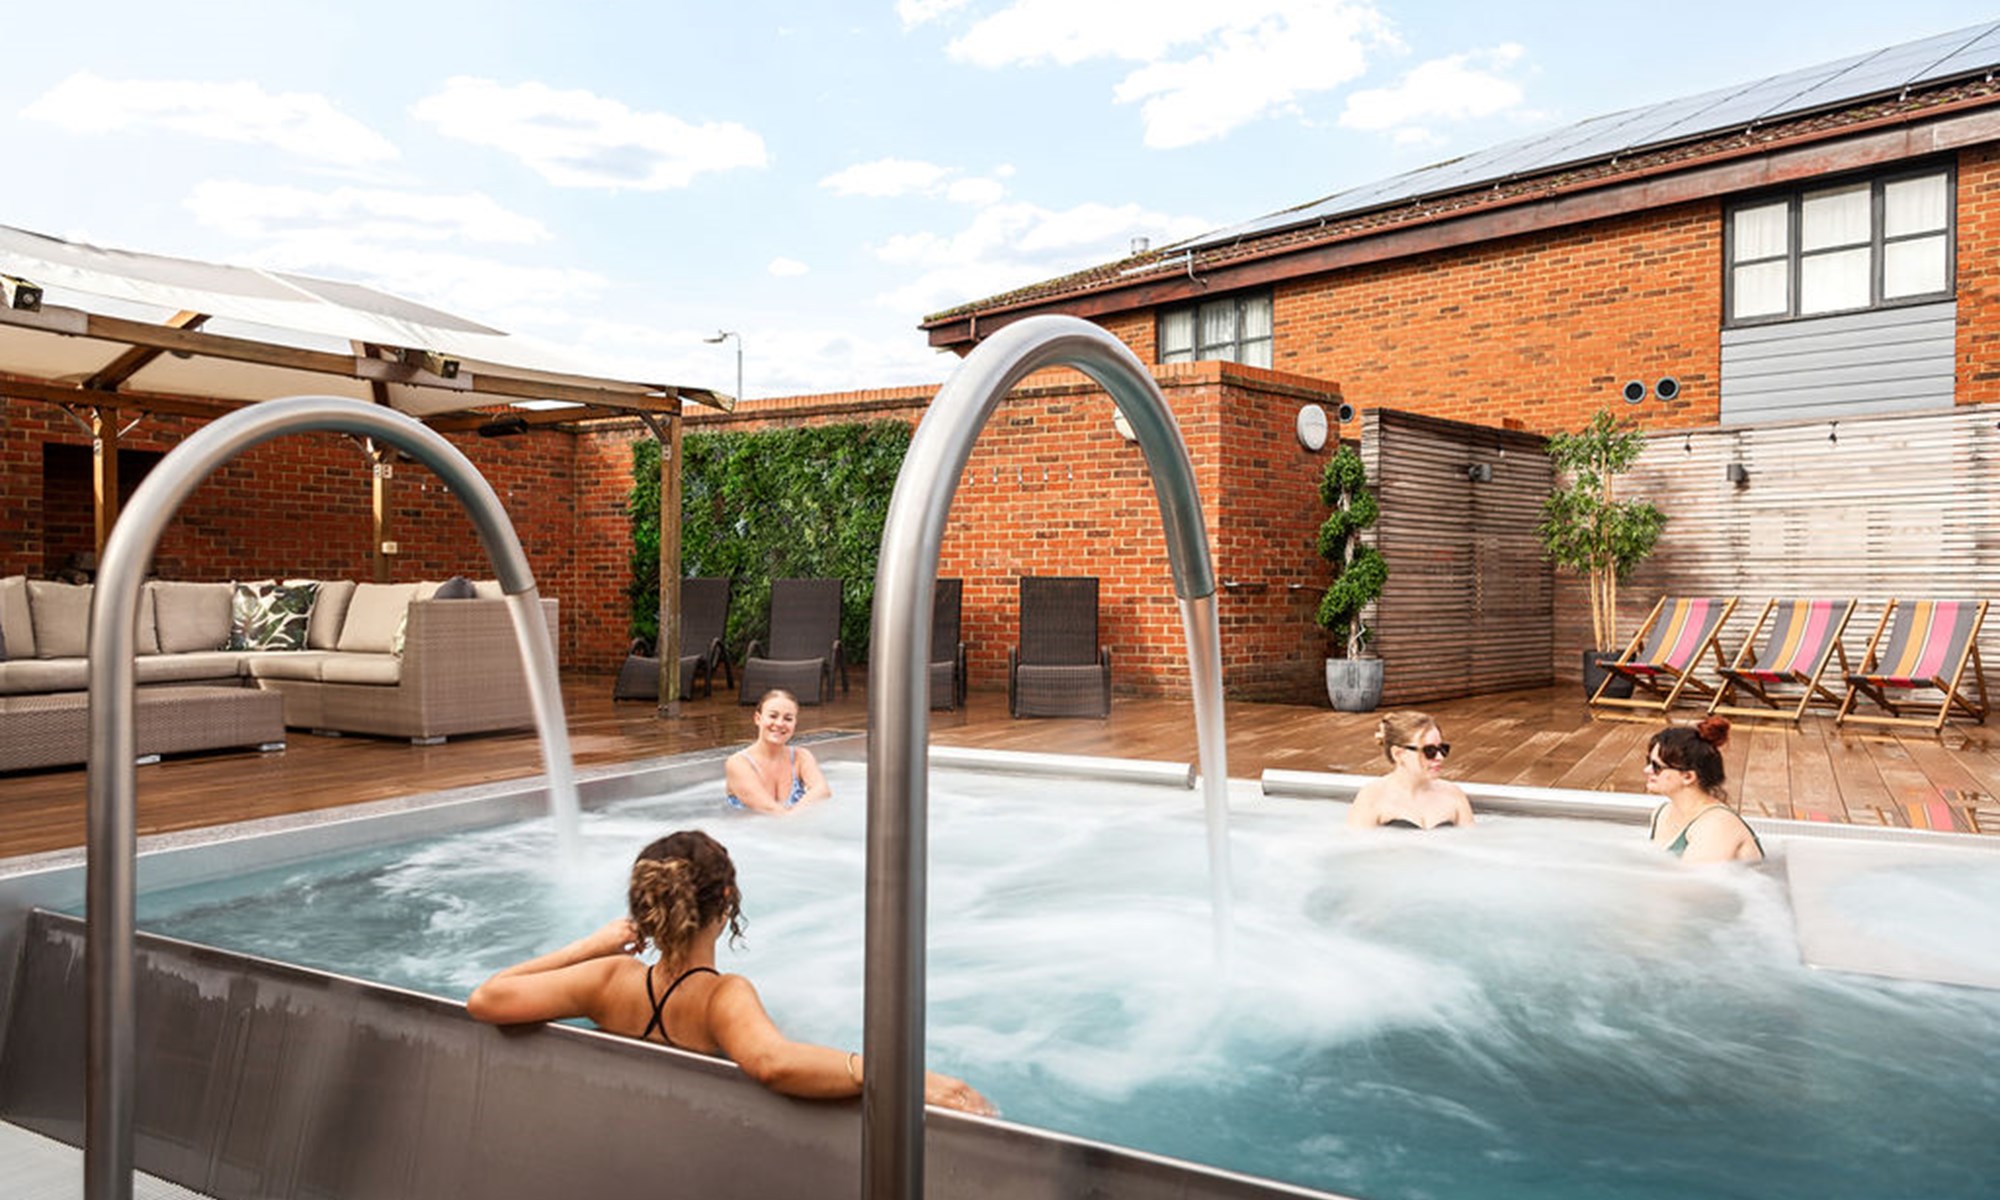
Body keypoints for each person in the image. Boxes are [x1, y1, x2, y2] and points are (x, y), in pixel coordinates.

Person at [468, 830, 993, 1114]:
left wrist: (592, 944)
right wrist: (906, 1079)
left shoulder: (606, 980)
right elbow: (775, 1063)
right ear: (726, 900)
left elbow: (487, 998)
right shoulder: (721, 998)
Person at [1644, 717, 1764, 864]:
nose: (1647, 770)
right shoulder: (1661, 813)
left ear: (1688, 777)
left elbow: (1692, 884)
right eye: (1648, 762)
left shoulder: (1717, 826)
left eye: (1656, 767)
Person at [1347, 711, 1476, 830]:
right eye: (1429, 751)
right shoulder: (1372, 797)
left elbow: (1472, 845)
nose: (1439, 757)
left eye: (1443, 748)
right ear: (1398, 754)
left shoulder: (1454, 795)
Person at [725, 688, 831, 813]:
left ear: (795, 723)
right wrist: (794, 818)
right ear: (757, 719)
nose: (780, 723)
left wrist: (792, 818)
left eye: (788, 718)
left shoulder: (801, 756)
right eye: (773, 716)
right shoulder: (738, 763)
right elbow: (768, 809)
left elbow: (822, 790)